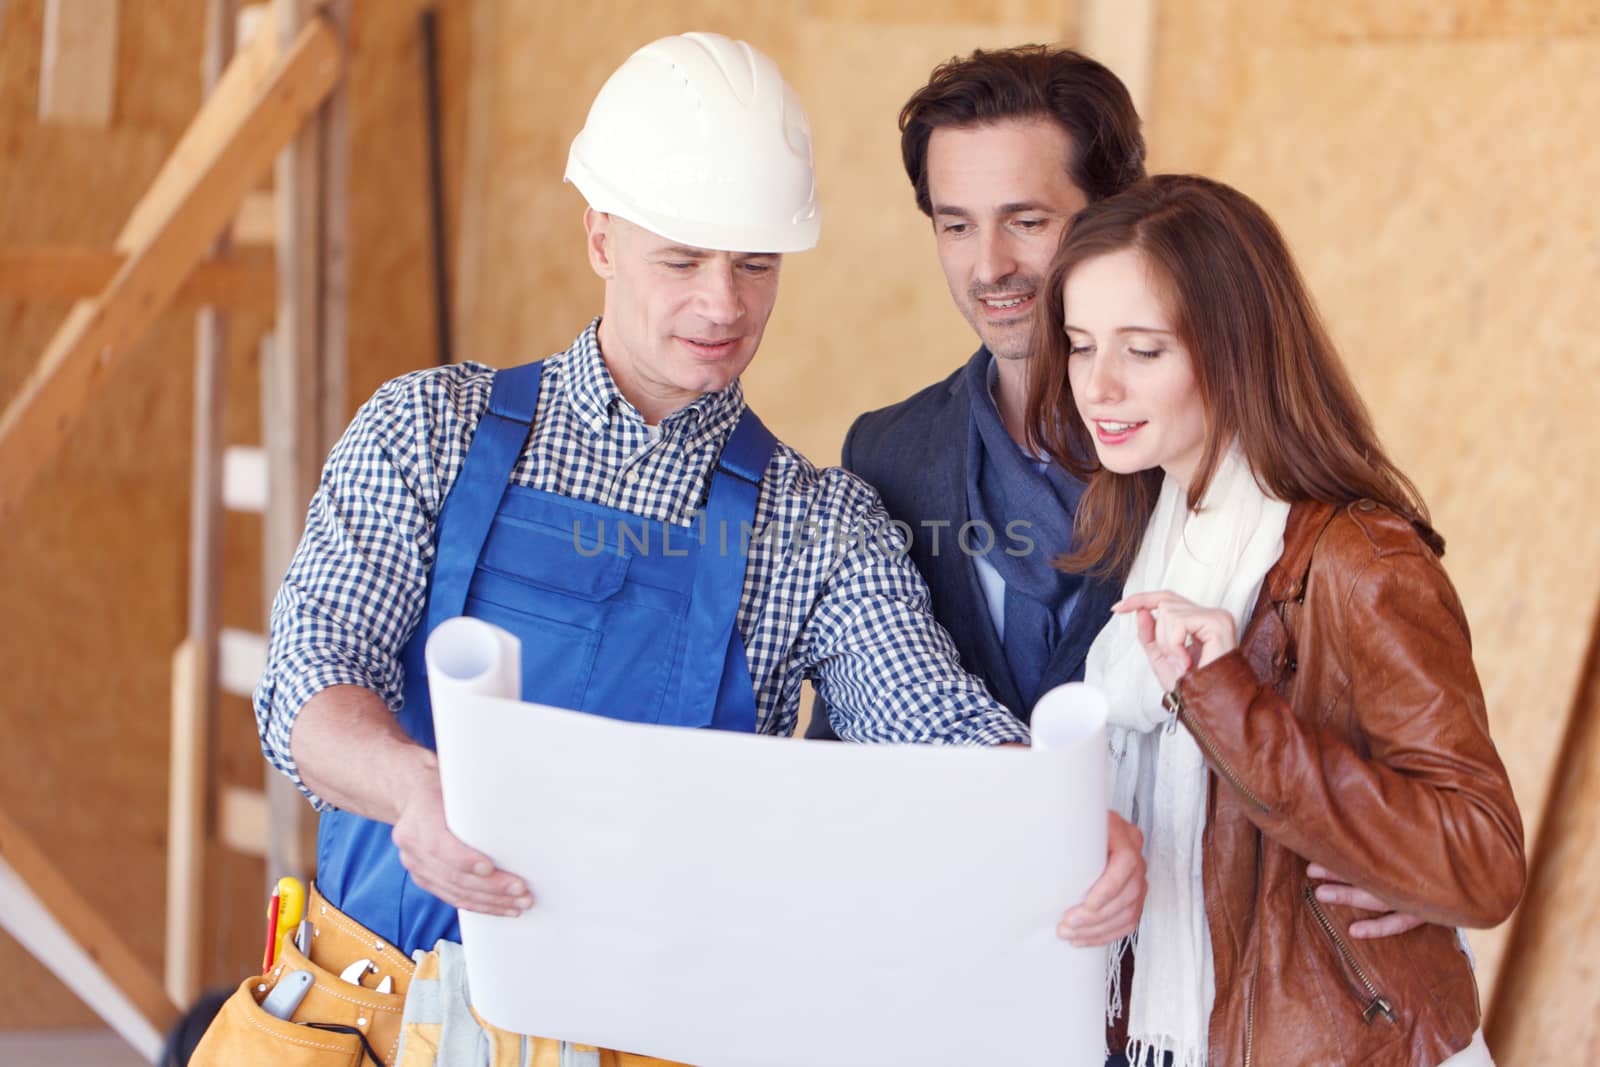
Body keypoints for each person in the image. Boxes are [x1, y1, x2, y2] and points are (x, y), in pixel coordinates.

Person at [229, 31, 1143, 1065]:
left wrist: (1053, 816)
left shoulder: (817, 521)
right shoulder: (428, 430)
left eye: (754, 264)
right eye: (681, 259)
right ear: (601, 238)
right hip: (366, 1015)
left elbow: (923, 711)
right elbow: (306, 675)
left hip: (638, 1039)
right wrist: (409, 785)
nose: (722, 303)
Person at [1025, 173, 1525, 1066]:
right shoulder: (1159, 529)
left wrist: (1227, 696)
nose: (1097, 385)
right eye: (1079, 343)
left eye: (1142, 350)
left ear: (1234, 350)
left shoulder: (1359, 557)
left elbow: (1482, 860)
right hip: (1184, 1041)